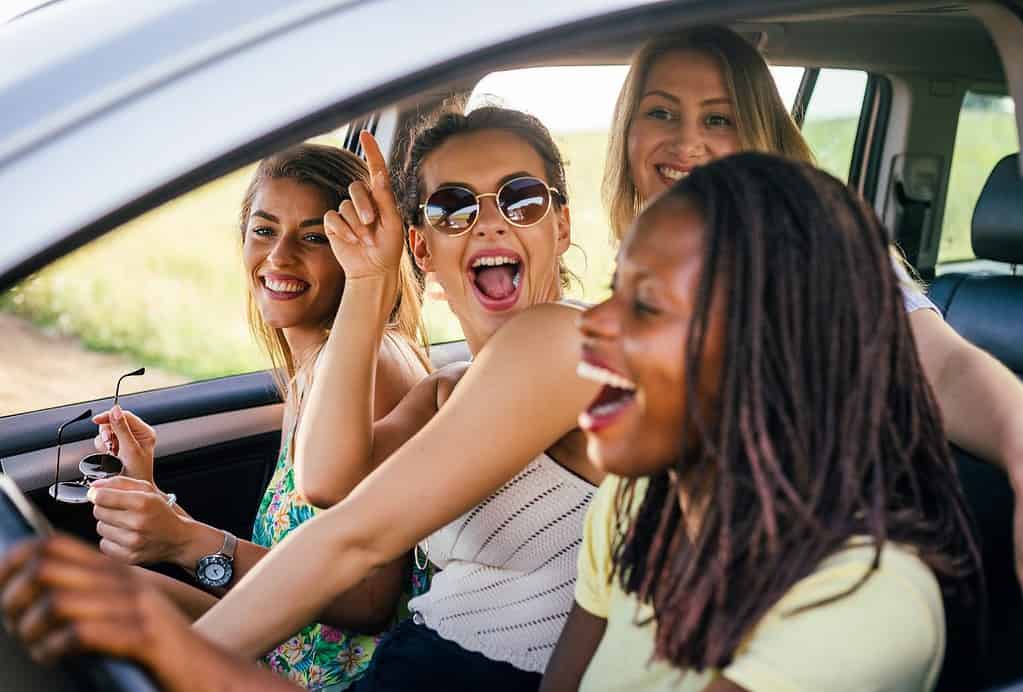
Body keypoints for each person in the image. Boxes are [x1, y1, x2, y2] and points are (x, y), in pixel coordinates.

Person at [542, 152, 981, 691]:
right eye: (615, 290)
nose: (593, 323)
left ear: (774, 351)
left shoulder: (869, 598)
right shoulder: (633, 505)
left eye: (648, 304)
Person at [603, 25, 1023, 585]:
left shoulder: (826, 253)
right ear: (628, 133)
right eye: (660, 113)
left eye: (718, 119)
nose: (687, 142)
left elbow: (939, 366)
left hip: (807, 567)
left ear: (756, 135)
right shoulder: (635, 278)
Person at [84, 143, 430, 690]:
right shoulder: (314, 363)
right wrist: (155, 499)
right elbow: (295, 559)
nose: (280, 257)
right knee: (88, 594)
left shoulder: (373, 369)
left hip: (333, 681)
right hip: (272, 647)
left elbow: (369, 602)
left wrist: (182, 539)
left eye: (315, 237)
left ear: (360, 249)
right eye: (265, 230)